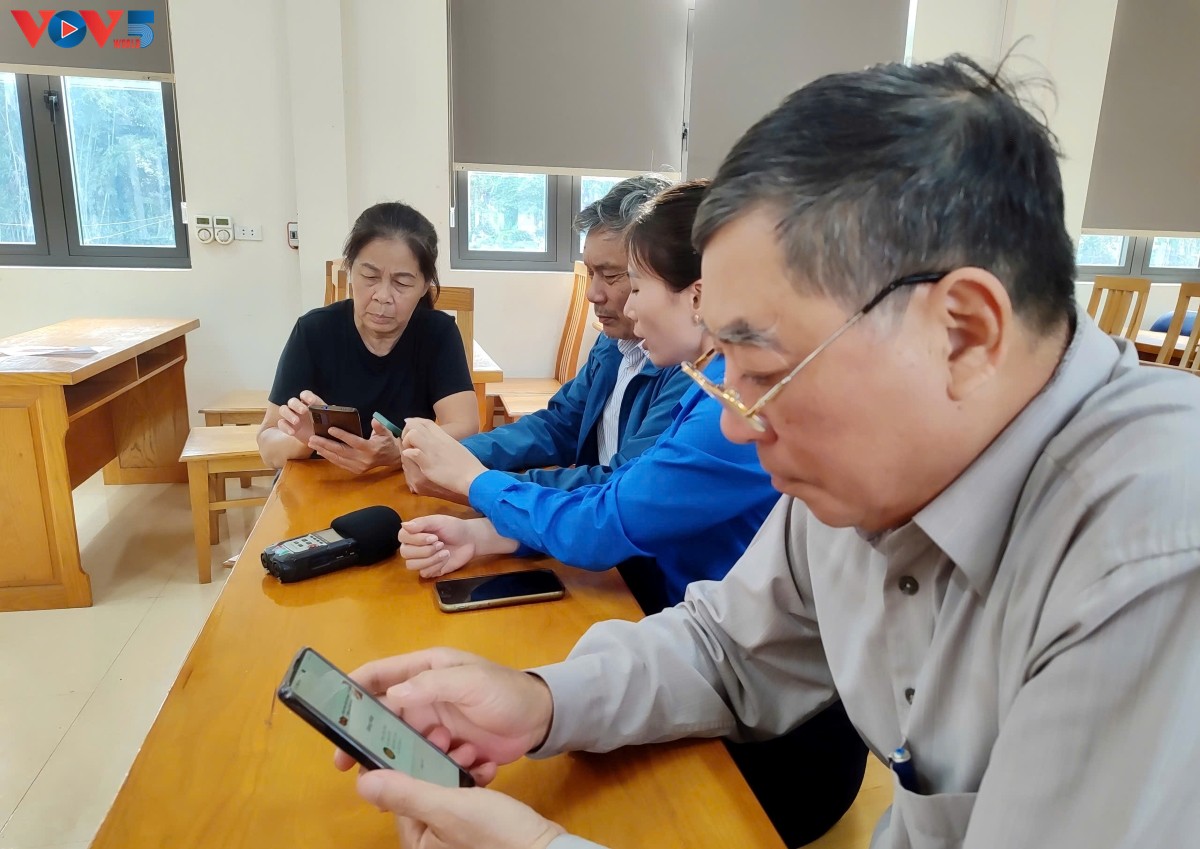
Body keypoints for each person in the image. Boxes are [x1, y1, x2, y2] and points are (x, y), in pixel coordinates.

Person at [337, 56, 1200, 848]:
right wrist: (541, 699)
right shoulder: (863, 474)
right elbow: (727, 645)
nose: (738, 426)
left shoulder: (1150, 554)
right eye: (725, 365)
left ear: (964, 335)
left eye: (764, 369)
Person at [397, 182, 868, 846]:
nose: (614, 300)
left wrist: (475, 485)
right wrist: (543, 699)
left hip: (786, 750)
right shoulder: (715, 393)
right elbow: (717, 642)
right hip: (690, 648)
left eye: (632, 281)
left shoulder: (729, 411)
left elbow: (613, 514)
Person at [403, 176, 691, 502]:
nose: (593, 294)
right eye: (590, 273)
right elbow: (559, 425)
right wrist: (456, 454)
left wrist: (477, 483)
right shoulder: (613, 344)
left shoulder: (687, 369)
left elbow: (620, 489)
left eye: (611, 276)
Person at [257, 202, 477, 474]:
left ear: (424, 286)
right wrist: (309, 438)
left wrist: (399, 451)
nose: (383, 296)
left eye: (402, 283)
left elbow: (465, 427)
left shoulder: (437, 333)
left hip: (402, 480)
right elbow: (267, 445)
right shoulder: (314, 331)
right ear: (350, 270)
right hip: (322, 482)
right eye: (370, 276)